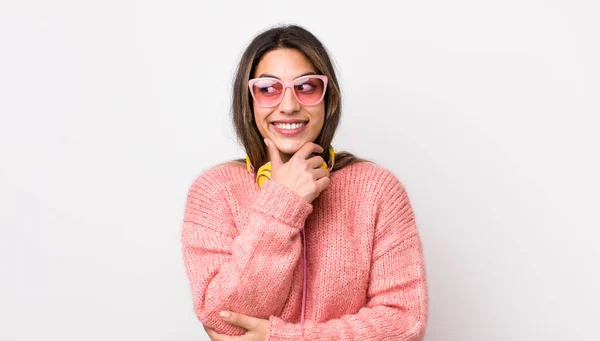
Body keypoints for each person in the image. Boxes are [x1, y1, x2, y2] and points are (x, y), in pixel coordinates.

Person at [180, 24, 428, 340]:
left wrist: (285, 338)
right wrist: (283, 201)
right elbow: (223, 321)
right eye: (268, 89)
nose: (288, 105)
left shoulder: (377, 189)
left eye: (306, 86)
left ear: (328, 98)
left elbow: (404, 323)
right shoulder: (214, 192)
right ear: (249, 101)